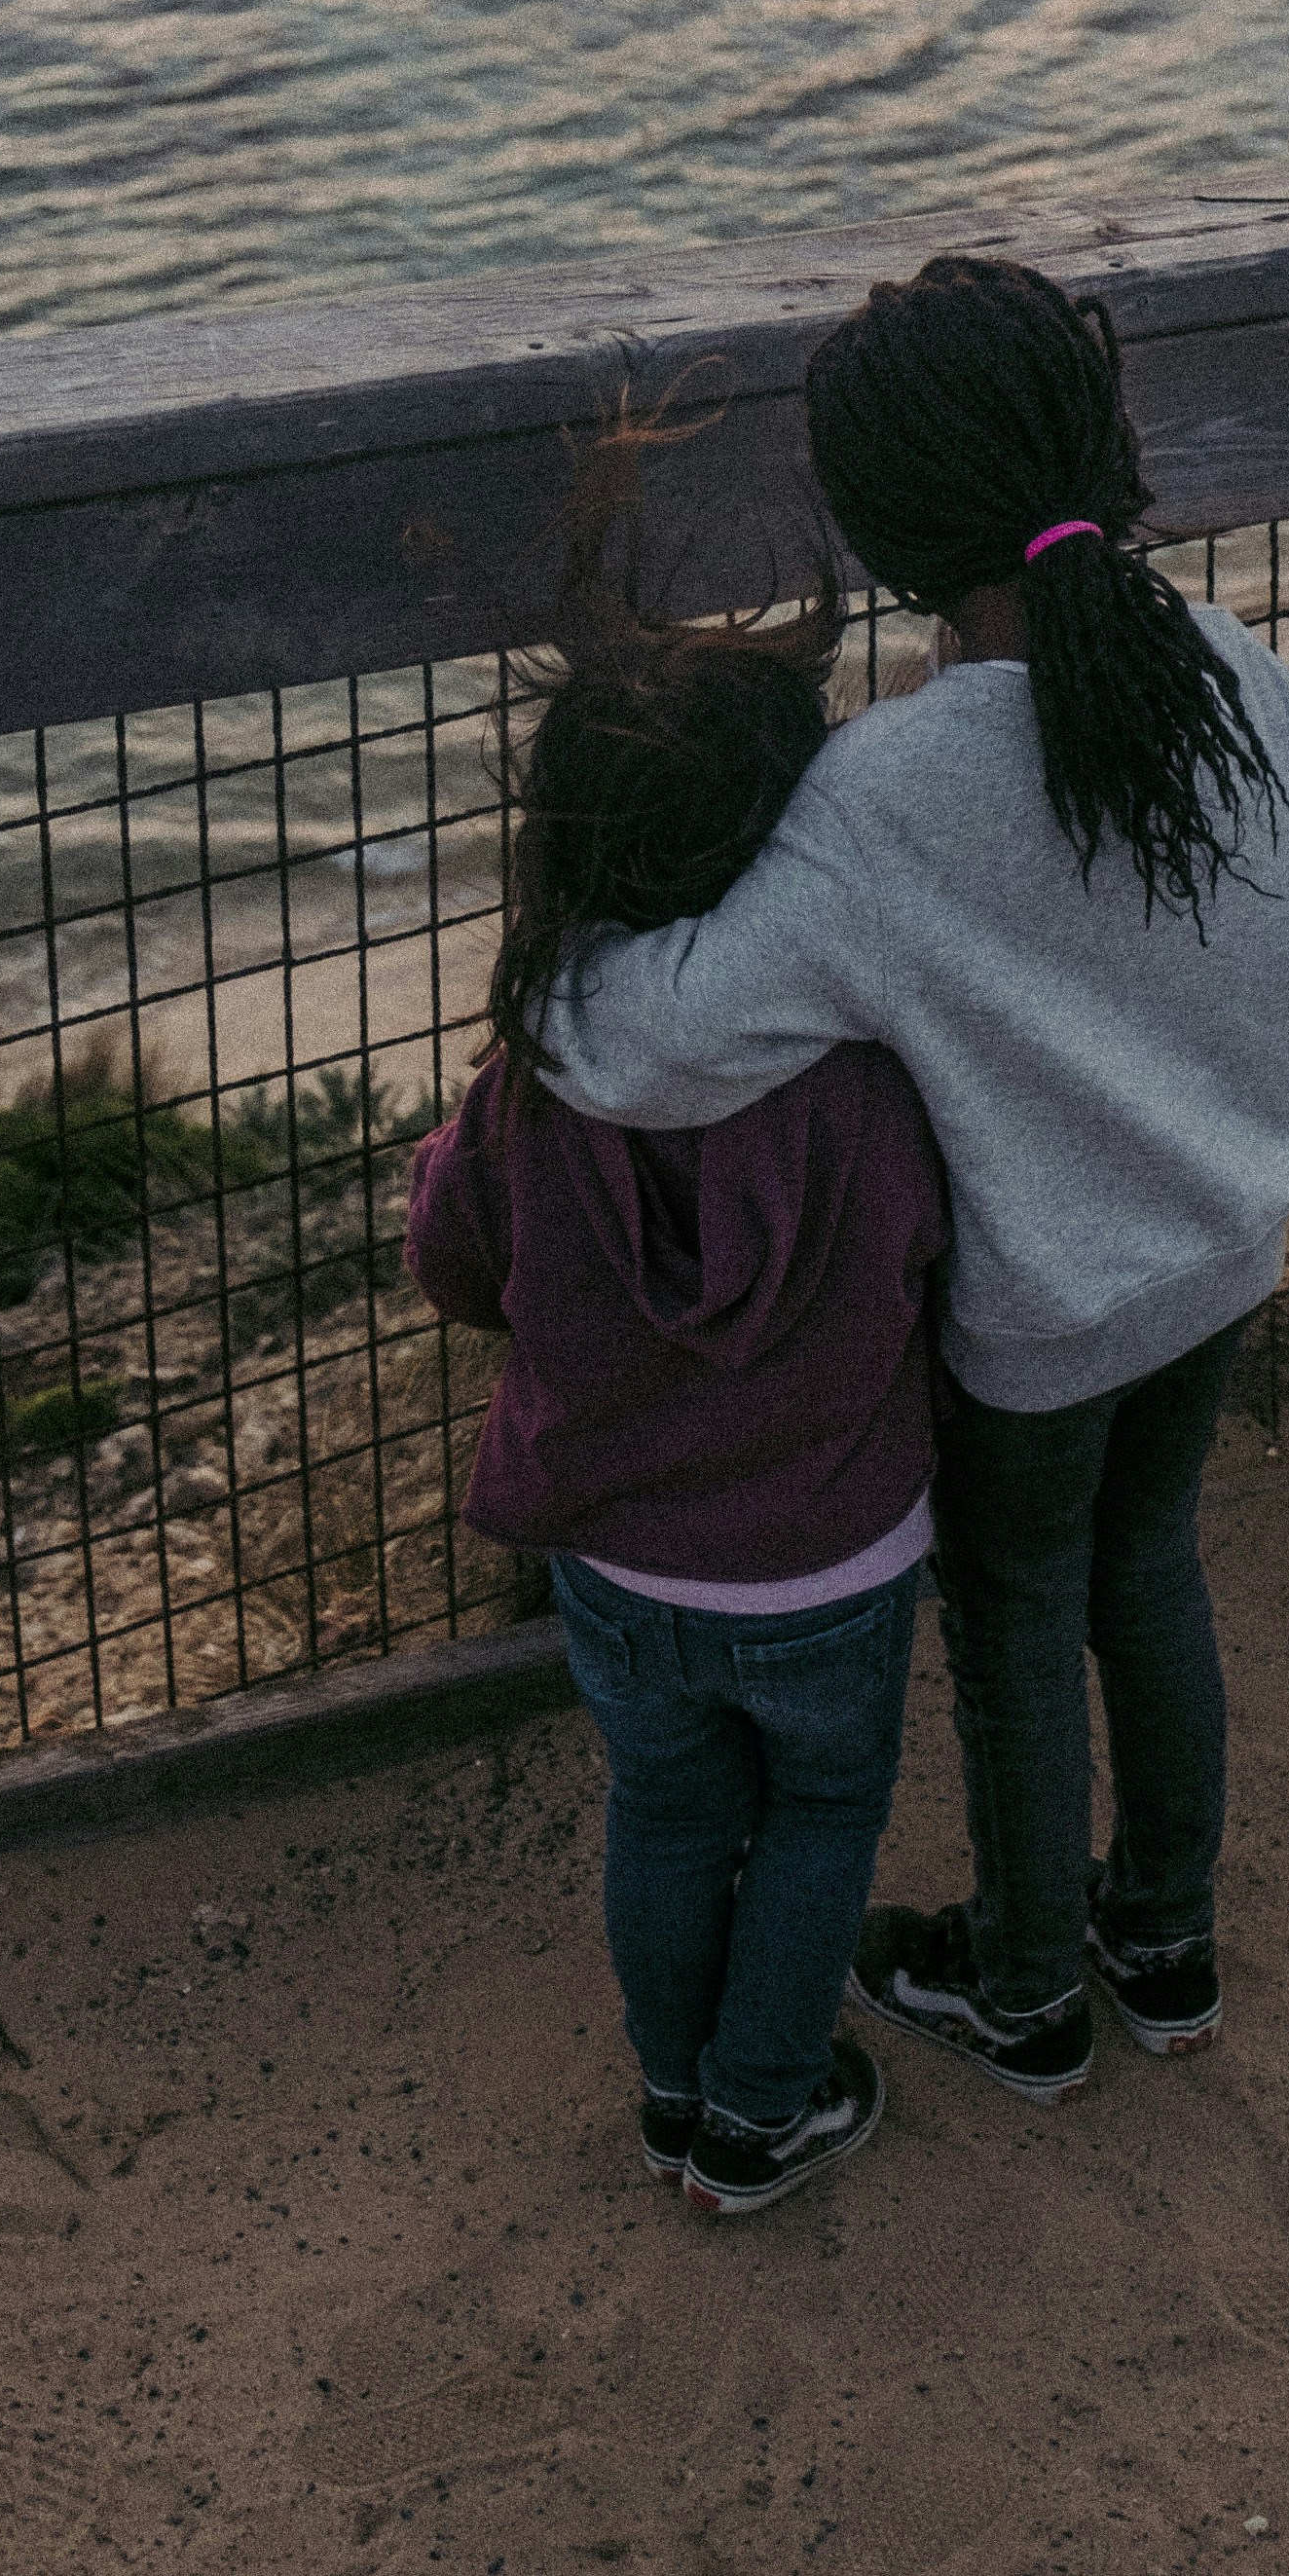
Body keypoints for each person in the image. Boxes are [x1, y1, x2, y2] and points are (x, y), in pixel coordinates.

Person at [537, 252, 1289, 2105]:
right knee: (1154, 1567)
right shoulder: (1238, 675)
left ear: (887, 525)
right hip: (1221, 1241)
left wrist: (544, 961)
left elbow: (656, 1038)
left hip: (1042, 1313)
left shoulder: (885, 795)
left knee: (1012, 1625)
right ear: (1096, 443)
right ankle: (1170, 1932)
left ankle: (1030, 1987)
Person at [406, 618, 947, 2223]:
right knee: (824, 1816)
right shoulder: (858, 1076)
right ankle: (757, 2113)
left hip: (623, 1568)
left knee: (667, 1806)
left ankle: (669, 2091)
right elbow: (930, 1250)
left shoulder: (533, 1075)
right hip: (832, 1562)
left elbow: (455, 1260)